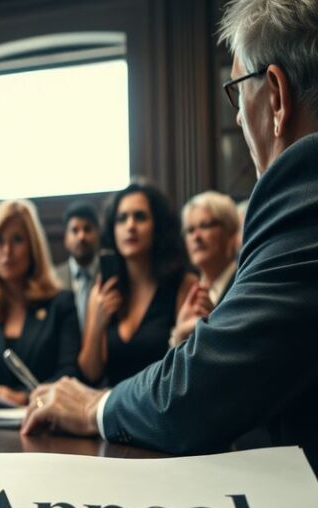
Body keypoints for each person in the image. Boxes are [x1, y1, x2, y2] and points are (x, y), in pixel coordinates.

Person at [22, 0, 318, 472]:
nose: (239, 118)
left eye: (238, 92)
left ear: (277, 97)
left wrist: (91, 407)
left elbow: (211, 382)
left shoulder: (304, 185)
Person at [0, 200, 79, 405]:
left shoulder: (61, 303)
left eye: (17, 240)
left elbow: (68, 371)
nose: (7, 250)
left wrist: (24, 397)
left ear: (33, 247)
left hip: (46, 421)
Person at [77, 183, 195, 386]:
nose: (130, 226)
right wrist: (97, 324)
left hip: (160, 410)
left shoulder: (184, 285)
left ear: (157, 226)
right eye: (121, 219)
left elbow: (189, 371)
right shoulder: (103, 291)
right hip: (112, 409)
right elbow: (90, 373)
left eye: (140, 217)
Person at [170, 191, 239, 346]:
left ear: (229, 233)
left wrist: (215, 323)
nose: (196, 236)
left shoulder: (242, 282)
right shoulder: (187, 289)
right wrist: (178, 336)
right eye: (190, 230)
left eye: (205, 225)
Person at [54, 202, 101, 331]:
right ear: (65, 239)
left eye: (87, 229)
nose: (81, 236)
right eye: (75, 230)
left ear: (98, 234)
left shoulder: (111, 273)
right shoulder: (53, 279)